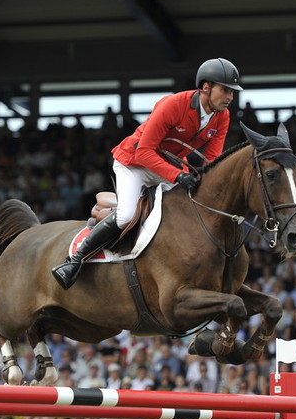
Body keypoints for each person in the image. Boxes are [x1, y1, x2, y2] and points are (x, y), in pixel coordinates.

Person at [52, 58, 243, 289]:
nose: (230, 97)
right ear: (205, 87)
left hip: (170, 165)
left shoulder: (222, 116)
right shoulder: (173, 105)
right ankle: (74, 261)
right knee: (125, 217)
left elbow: (212, 160)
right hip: (134, 163)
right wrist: (177, 176)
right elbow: (144, 151)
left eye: (232, 92)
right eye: (225, 90)